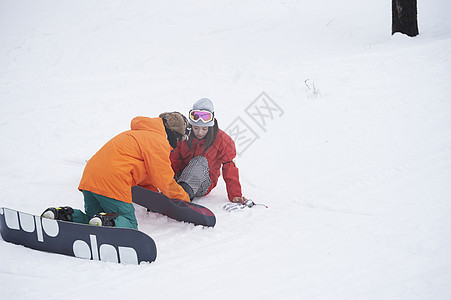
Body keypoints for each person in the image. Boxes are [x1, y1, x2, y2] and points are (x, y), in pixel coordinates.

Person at [41, 112, 190, 229]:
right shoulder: (158, 141)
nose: (177, 144)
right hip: (113, 181)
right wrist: (185, 199)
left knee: (94, 219)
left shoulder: (138, 134)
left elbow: (147, 178)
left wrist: (154, 200)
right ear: (174, 134)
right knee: (129, 226)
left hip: (90, 177)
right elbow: (164, 179)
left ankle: (63, 215)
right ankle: (108, 222)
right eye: (179, 140)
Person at [170, 98, 247, 203]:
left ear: (210, 127)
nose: (200, 132)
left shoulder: (222, 140)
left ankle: (182, 194)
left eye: (204, 129)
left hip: (204, 183)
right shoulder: (184, 136)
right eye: (196, 128)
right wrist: (167, 181)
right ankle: (172, 191)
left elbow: (229, 167)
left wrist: (235, 194)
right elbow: (174, 160)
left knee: (200, 161)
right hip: (180, 179)